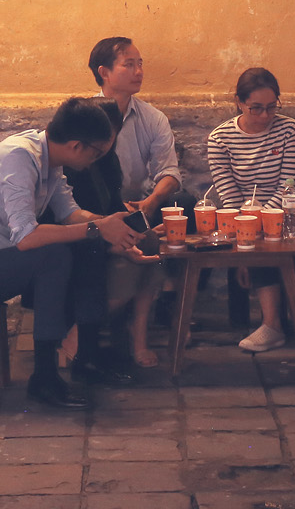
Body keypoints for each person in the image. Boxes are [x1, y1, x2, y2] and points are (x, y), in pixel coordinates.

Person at [0, 97, 145, 409]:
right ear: (75, 146)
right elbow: (27, 238)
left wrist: (113, 227)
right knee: (53, 255)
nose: (97, 160)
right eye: (96, 153)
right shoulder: (20, 156)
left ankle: (87, 357)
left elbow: (71, 215)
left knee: (87, 244)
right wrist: (98, 230)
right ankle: (44, 378)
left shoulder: (48, 159)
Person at [87, 36, 181, 365]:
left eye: (140, 63)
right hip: (94, 209)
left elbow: (169, 171)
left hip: (138, 206)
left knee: (176, 213)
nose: (139, 71)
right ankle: (86, 330)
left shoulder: (152, 118)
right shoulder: (87, 115)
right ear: (104, 72)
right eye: (129, 64)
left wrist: (151, 201)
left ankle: (138, 337)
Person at [205, 66, 295, 353]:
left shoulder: (288, 130)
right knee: (254, 238)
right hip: (240, 217)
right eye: (256, 109)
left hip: (283, 214)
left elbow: (290, 185)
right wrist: (249, 224)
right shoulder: (220, 139)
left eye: (271, 107)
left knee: (269, 235)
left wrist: (263, 218)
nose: (265, 116)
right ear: (239, 102)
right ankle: (272, 324)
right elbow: (228, 196)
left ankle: (277, 324)